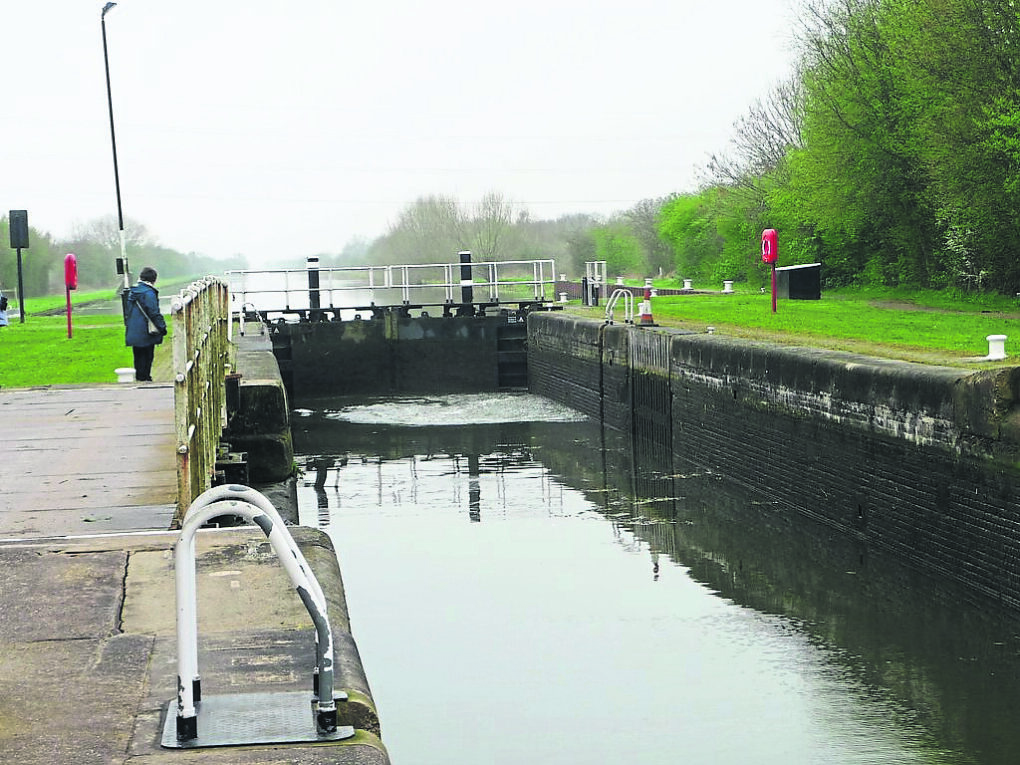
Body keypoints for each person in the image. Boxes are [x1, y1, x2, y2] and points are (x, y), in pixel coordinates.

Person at [124, 267, 167, 381]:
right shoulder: (148, 293)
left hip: (134, 330)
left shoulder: (132, 292)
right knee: (147, 357)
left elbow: (128, 311)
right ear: (153, 280)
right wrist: (162, 328)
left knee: (138, 357)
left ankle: (140, 379)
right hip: (146, 331)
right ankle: (146, 380)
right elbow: (153, 312)